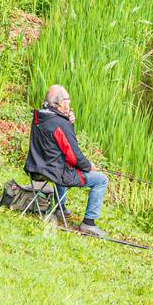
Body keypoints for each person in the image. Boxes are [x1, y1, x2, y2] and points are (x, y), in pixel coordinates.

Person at [24, 84, 109, 237]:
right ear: (61, 102)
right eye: (68, 100)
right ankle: (88, 223)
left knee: (60, 165)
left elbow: (57, 144)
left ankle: (59, 208)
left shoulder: (40, 117)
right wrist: (89, 166)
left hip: (36, 168)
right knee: (101, 180)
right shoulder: (60, 124)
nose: (70, 103)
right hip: (54, 172)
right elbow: (74, 156)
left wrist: (68, 121)